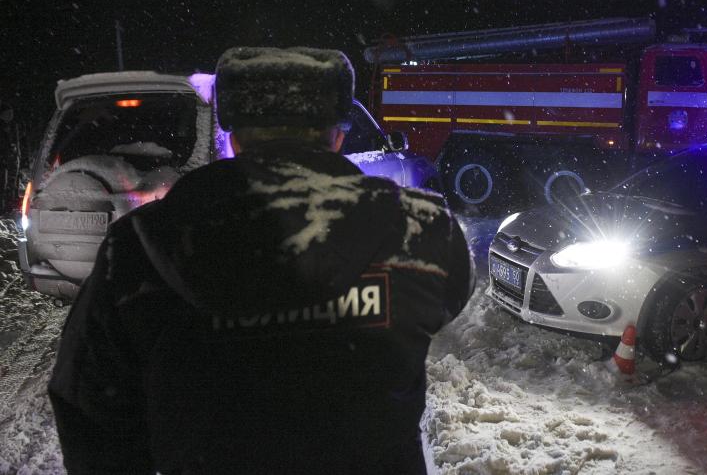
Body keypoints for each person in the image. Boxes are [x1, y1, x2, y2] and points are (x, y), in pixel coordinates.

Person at [49, 47, 474, 475]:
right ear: (338, 135)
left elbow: (89, 408)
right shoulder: (424, 230)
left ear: (233, 138)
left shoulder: (137, 246)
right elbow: (448, 298)